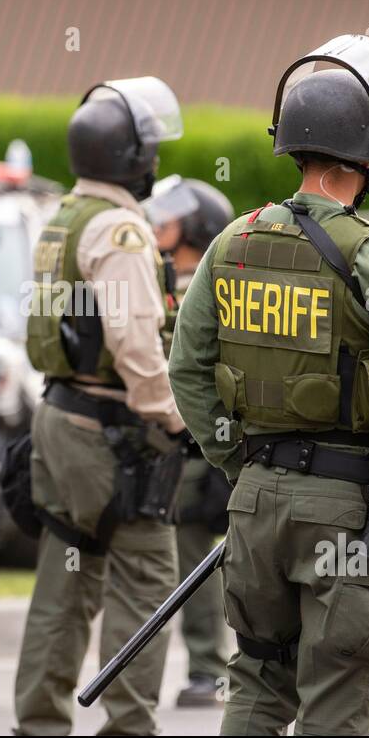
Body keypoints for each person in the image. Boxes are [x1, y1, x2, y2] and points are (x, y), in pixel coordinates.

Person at [168, 35, 369, 735]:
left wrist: (239, 463)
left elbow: (186, 369)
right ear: (367, 154)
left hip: (255, 505)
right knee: (338, 695)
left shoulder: (231, 242)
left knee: (260, 681)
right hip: (355, 514)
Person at [13, 77, 188, 736]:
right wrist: (176, 419)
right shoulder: (119, 230)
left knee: (65, 580)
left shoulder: (63, 218)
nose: (156, 162)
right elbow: (136, 343)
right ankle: (129, 728)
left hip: (57, 416)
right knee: (147, 575)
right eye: (150, 151)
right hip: (110, 428)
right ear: (130, 158)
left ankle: (39, 723)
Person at [145, 176, 235, 708]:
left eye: (170, 218)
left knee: (205, 557)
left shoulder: (220, 283)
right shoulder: (148, 280)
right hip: (158, 444)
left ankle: (210, 670)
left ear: (197, 224)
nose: (158, 227)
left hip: (208, 446)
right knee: (173, 558)